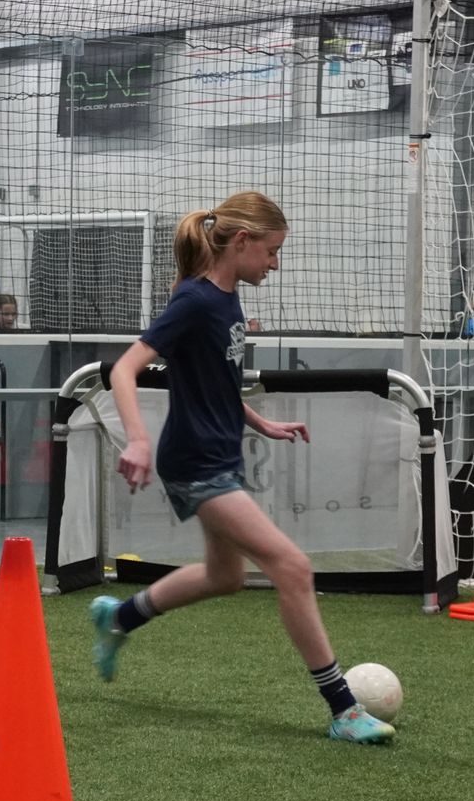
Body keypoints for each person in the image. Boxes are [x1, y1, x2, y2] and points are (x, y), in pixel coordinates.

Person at [86, 191, 395, 745]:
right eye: (272, 252)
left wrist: (259, 422)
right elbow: (125, 371)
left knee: (225, 575)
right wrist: (136, 441)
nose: (275, 263)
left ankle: (119, 617)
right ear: (243, 241)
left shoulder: (225, 300)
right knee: (293, 567)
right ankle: (343, 709)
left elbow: (212, 380)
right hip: (194, 461)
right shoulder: (195, 302)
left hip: (219, 452)